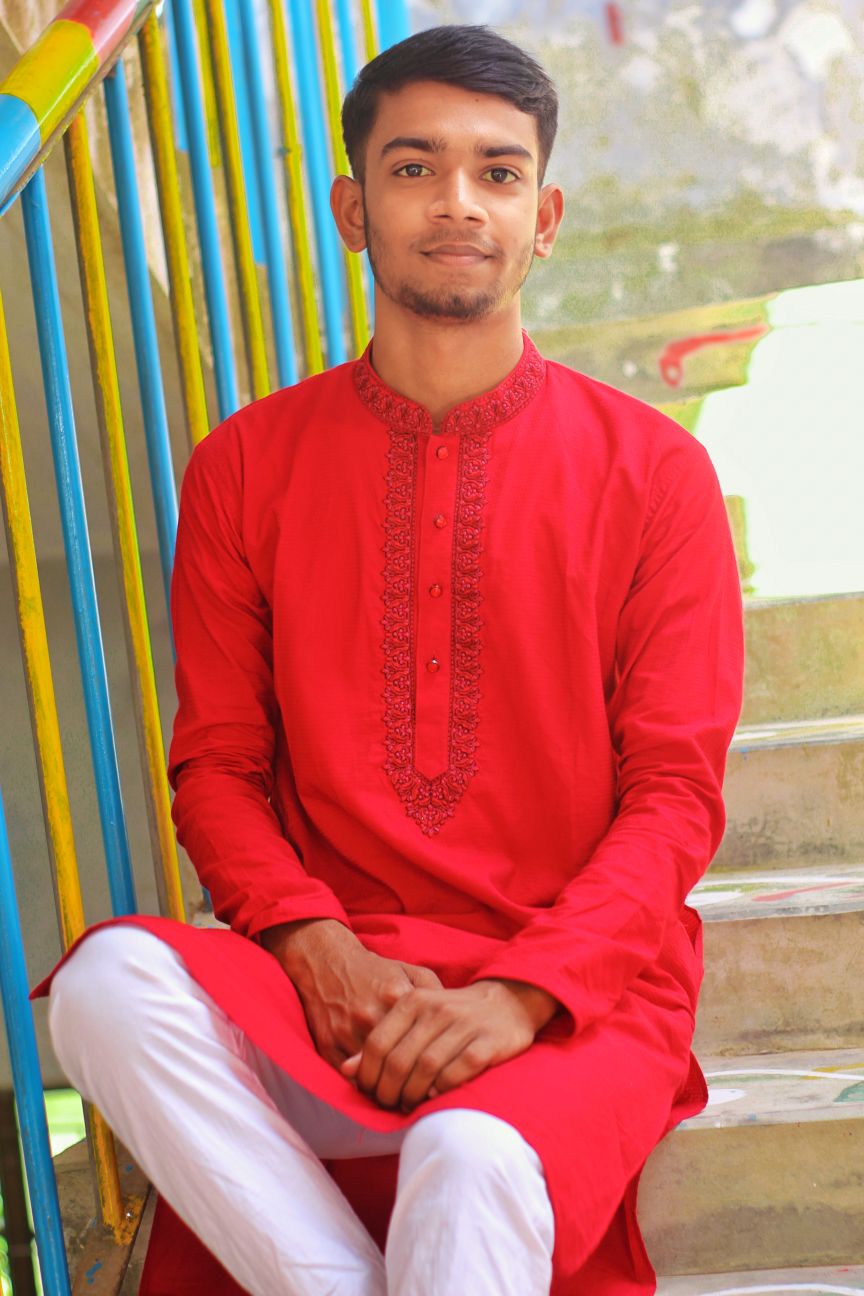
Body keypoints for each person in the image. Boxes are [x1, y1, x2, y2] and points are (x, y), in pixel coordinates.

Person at [35, 23, 744, 1296]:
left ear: (544, 219)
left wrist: (523, 993)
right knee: (106, 984)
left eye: (498, 172)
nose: (458, 202)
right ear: (355, 212)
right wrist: (315, 946)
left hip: (572, 992)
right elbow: (218, 767)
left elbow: (676, 799)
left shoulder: (656, 474)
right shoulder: (246, 465)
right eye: (416, 169)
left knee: (467, 1155)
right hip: (329, 991)